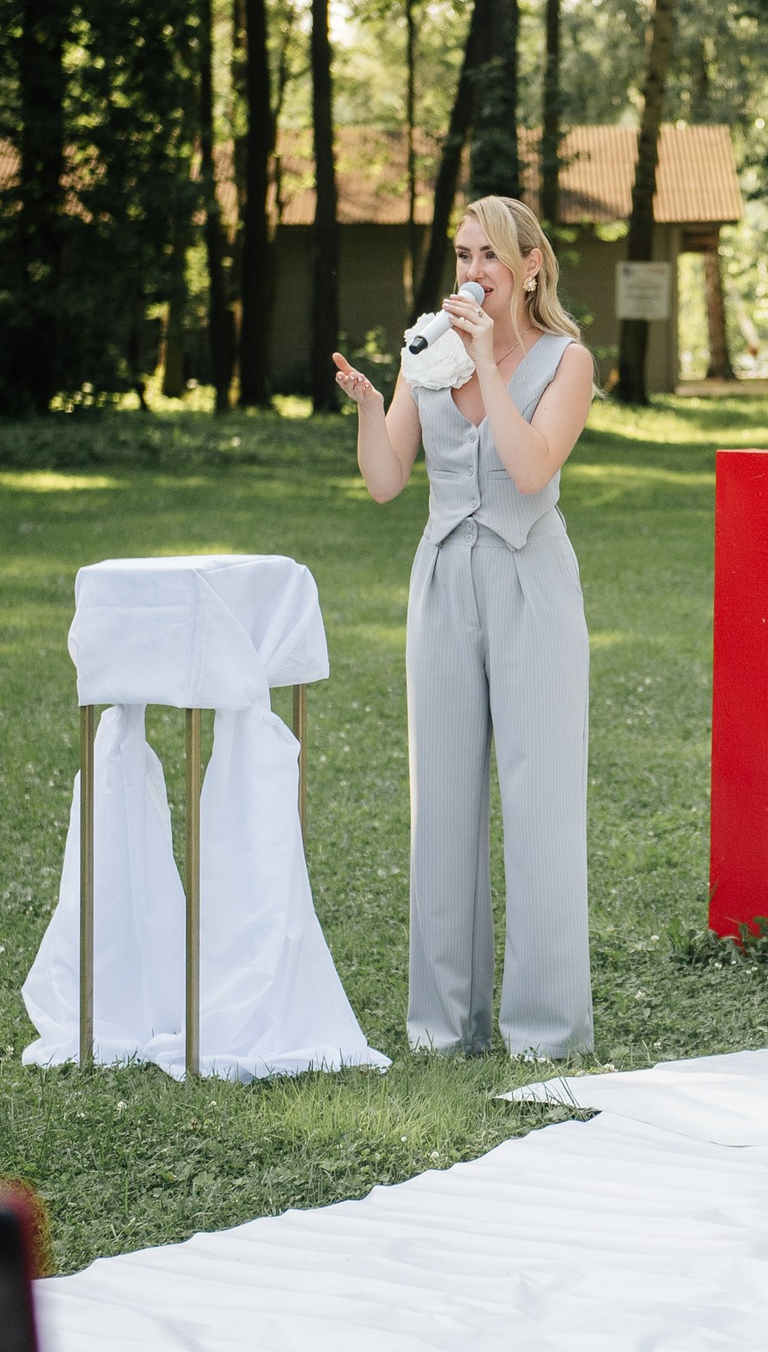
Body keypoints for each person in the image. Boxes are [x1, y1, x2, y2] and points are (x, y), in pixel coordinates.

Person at [331, 195, 597, 1059]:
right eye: (462, 254)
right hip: (444, 578)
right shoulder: (424, 347)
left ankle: (545, 1032)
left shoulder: (567, 362)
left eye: (489, 255)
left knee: (540, 801)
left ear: (530, 268)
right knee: (441, 802)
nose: (472, 272)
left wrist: (485, 362)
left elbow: (527, 469)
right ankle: (445, 1028)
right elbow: (385, 480)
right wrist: (375, 406)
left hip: (531, 582)